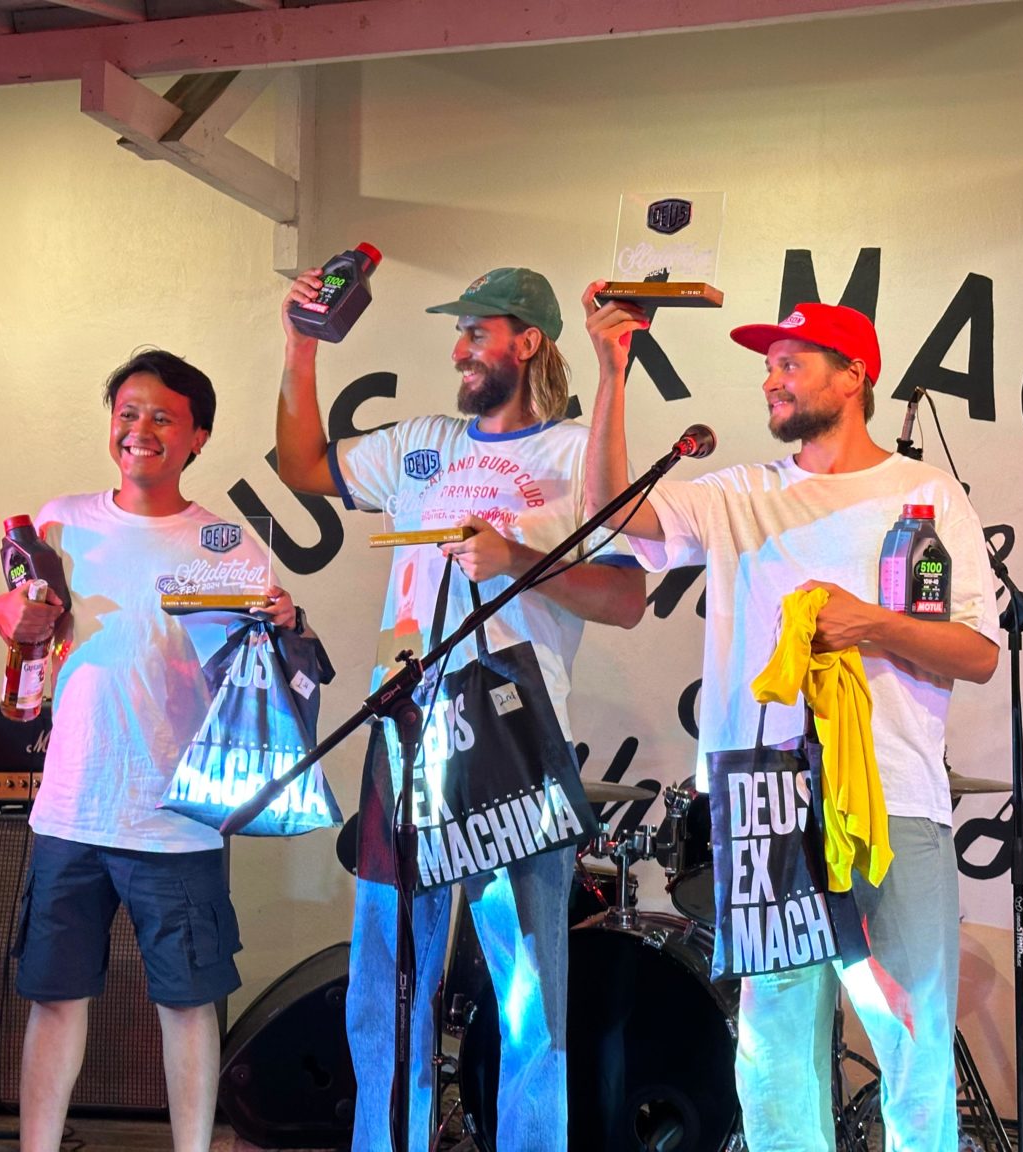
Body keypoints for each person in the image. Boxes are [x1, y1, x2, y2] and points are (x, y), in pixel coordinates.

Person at [582, 291, 1001, 1152]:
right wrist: (612, 372)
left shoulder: (924, 495)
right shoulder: (741, 493)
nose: (770, 380)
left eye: (789, 363)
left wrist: (873, 624)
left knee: (911, 1035)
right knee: (774, 1048)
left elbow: (978, 652)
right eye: (768, 365)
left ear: (853, 377)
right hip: (763, 803)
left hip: (892, 798)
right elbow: (615, 513)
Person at [276, 265, 645, 1151]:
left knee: (527, 995)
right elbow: (302, 466)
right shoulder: (423, 443)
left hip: (512, 737)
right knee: (386, 983)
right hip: (403, 729)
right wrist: (298, 344)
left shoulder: (574, 455)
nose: (459, 350)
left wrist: (517, 560)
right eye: (460, 333)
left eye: (477, 332)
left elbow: (626, 598)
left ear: (528, 341)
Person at [0, 349, 300, 1152]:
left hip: (177, 816)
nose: (140, 430)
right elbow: (19, 609)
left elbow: (257, 669)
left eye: (163, 417)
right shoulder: (61, 520)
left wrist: (282, 623)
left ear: (198, 437)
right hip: (71, 805)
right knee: (54, 997)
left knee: (188, 1004)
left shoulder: (227, 540)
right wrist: (11, 616)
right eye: (128, 413)